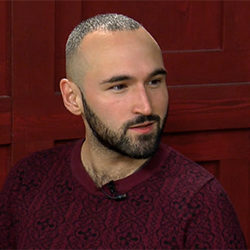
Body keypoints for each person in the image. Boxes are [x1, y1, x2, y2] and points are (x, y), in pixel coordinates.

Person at [0, 13, 246, 249]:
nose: (146, 106)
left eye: (154, 82)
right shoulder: (28, 180)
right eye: (119, 86)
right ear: (72, 98)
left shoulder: (201, 202)